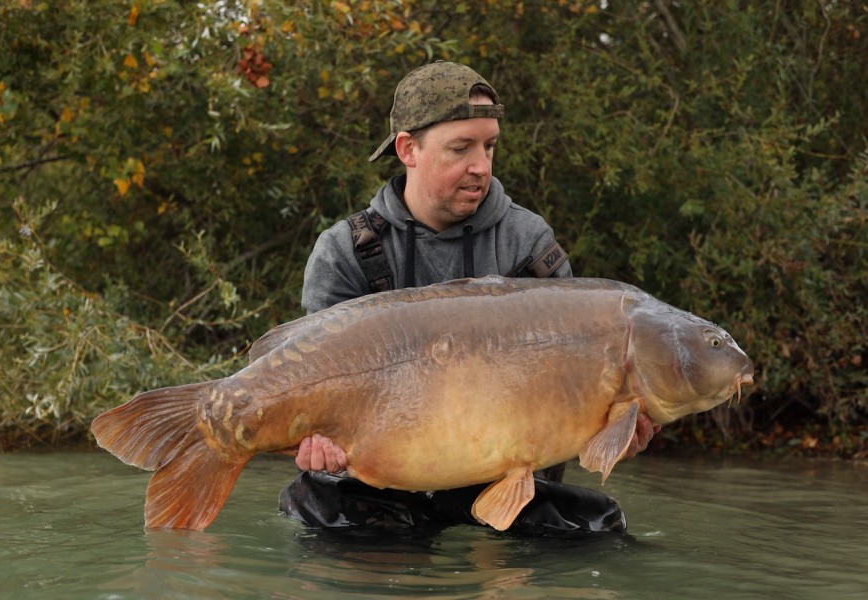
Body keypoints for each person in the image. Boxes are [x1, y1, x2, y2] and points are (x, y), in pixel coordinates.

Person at [278, 61, 659, 534]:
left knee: (596, 530)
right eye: (461, 148)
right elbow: (314, 386)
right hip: (385, 481)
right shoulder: (345, 251)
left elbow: (576, 398)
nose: (481, 165)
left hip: (509, 478)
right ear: (408, 149)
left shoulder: (528, 245)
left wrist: (618, 431)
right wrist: (322, 450)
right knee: (318, 503)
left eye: (489, 146)